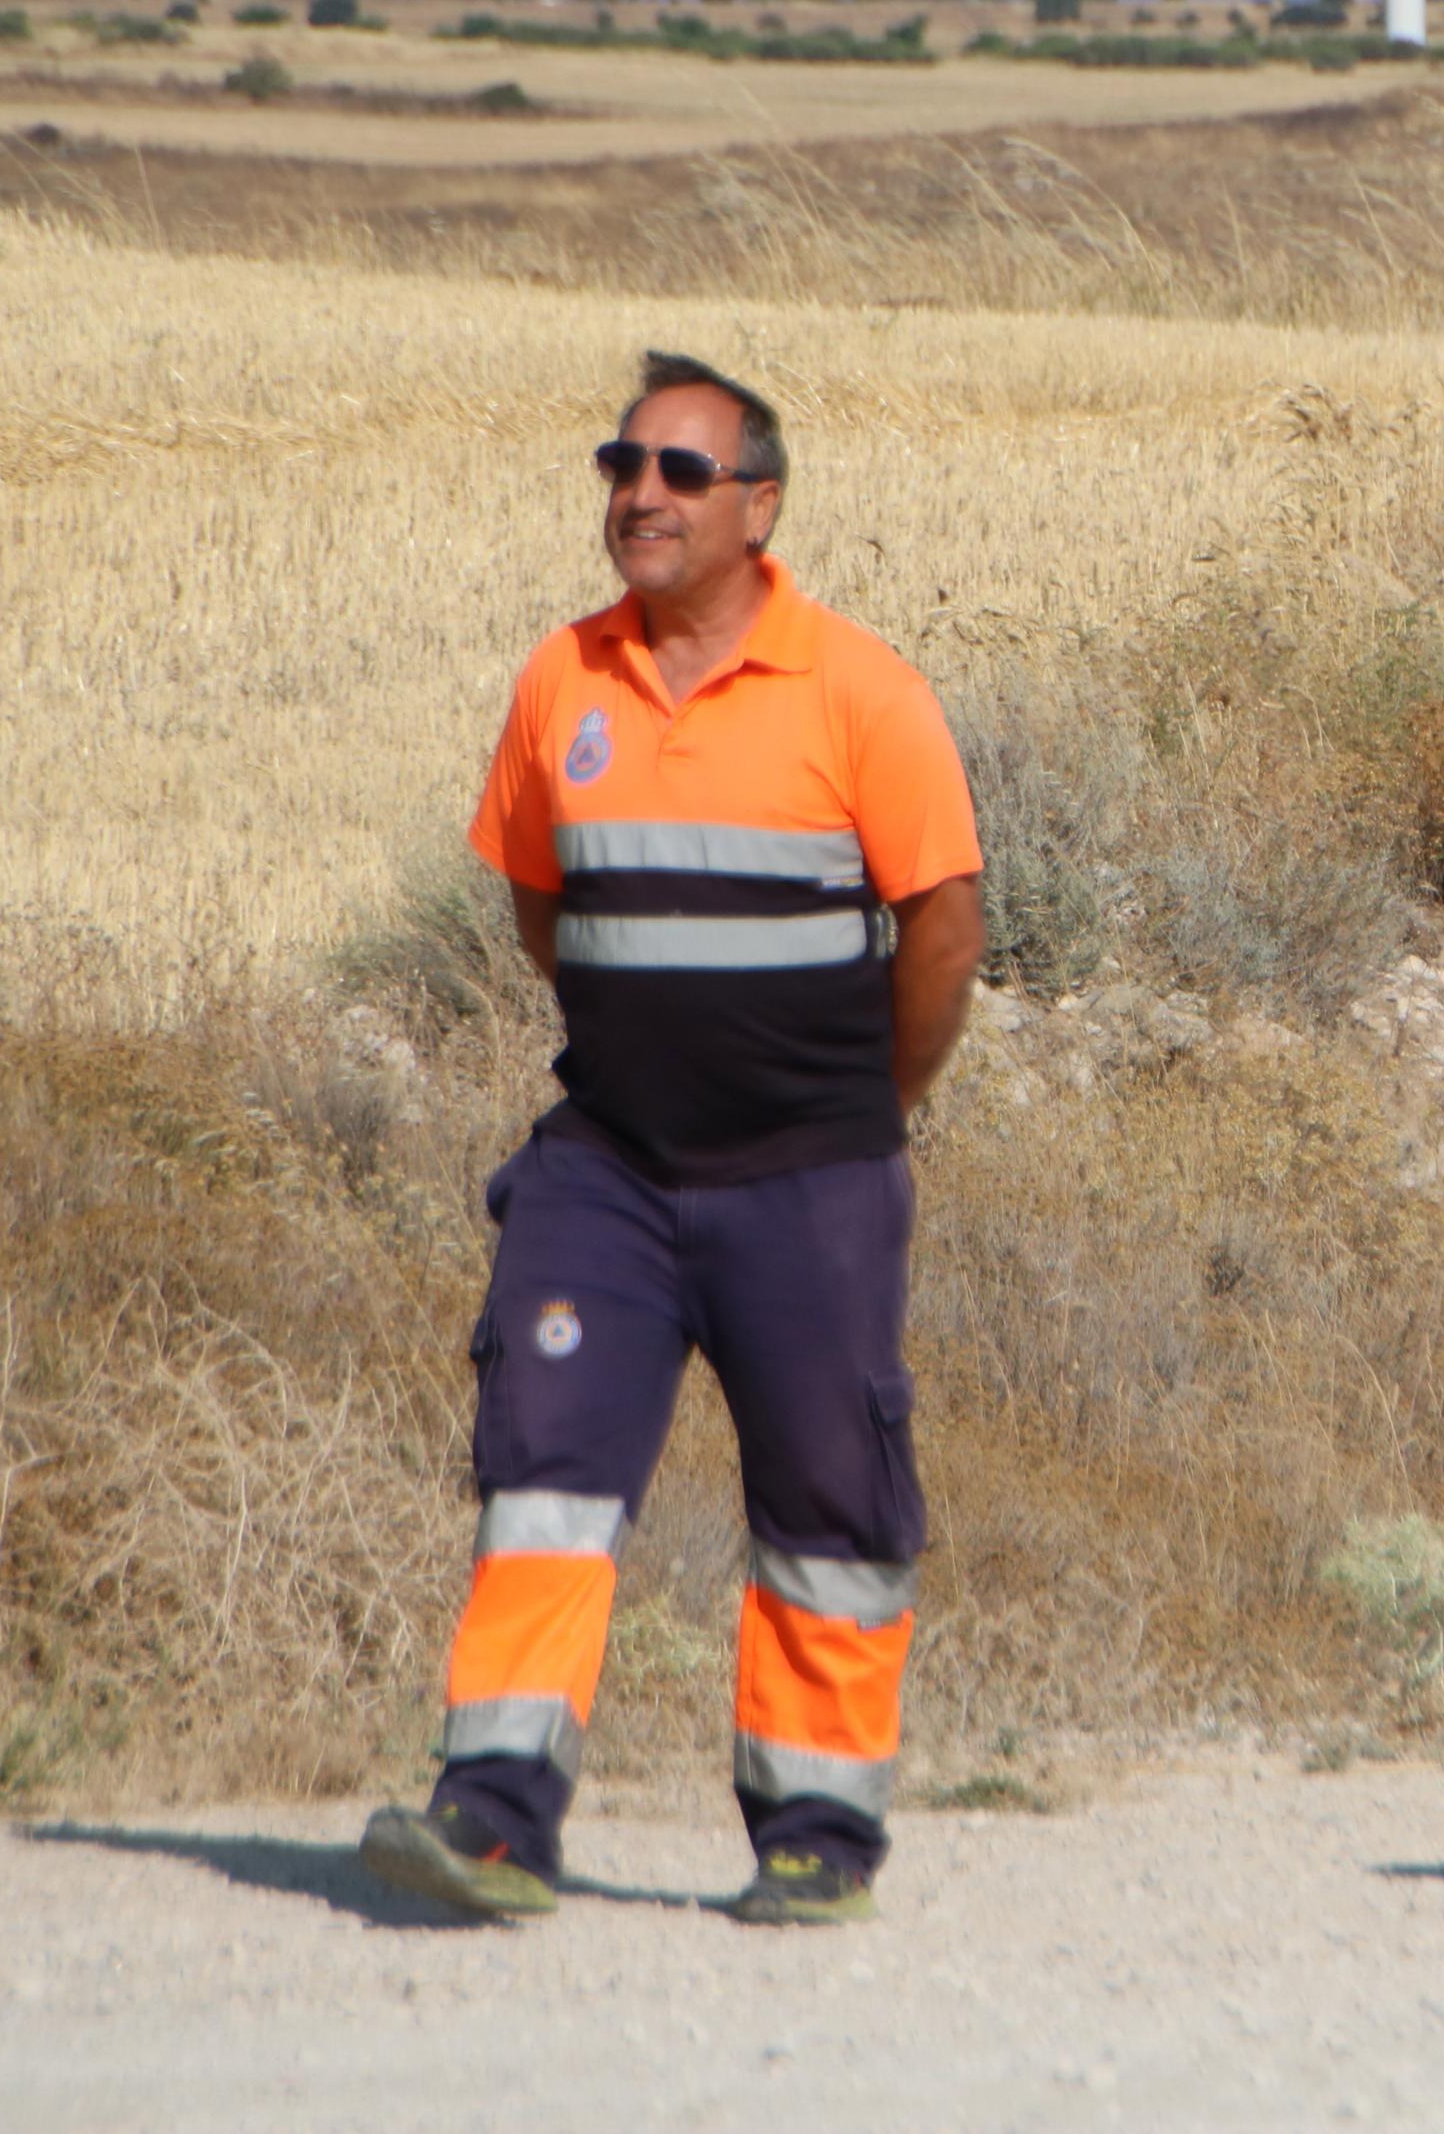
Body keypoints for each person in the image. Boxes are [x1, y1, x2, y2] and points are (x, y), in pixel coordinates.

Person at [361, 351, 985, 1930]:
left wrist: (864, 1113)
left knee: (829, 1505)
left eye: (679, 472)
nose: (639, 494)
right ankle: (494, 1821)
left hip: (814, 1180)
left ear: (758, 506)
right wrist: (653, 1049)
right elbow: (538, 906)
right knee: (545, 1476)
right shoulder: (559, 682)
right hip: (608, 1173)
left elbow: (946, 925)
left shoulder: (862, 691)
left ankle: (816, 1839)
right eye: (620, 465)